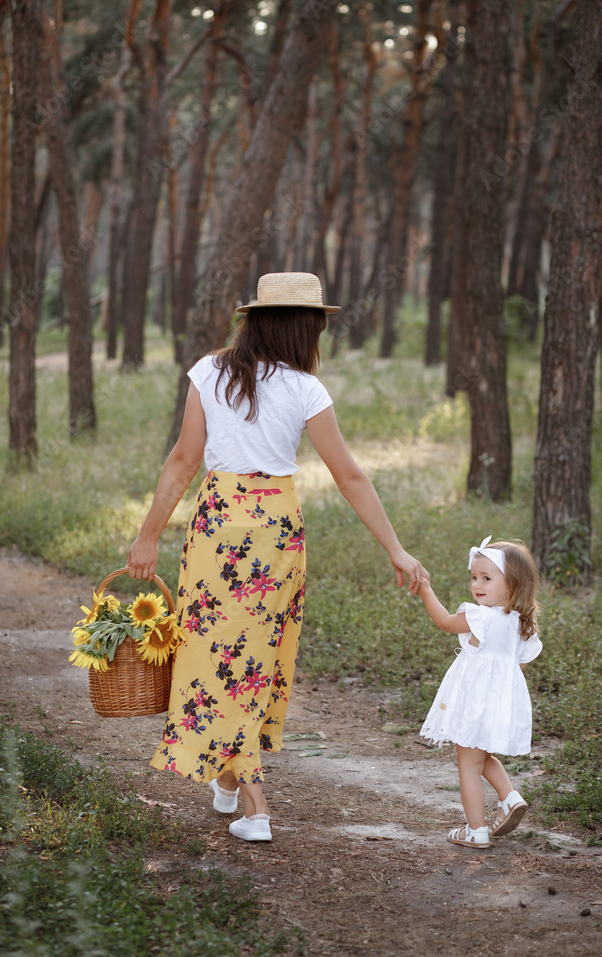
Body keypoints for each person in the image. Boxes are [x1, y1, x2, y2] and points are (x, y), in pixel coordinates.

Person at [127, 272, 428, 843]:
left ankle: (256, 809)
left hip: (219, 529)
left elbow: (182, 461)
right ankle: (231, 780)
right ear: (305, 326)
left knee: (216, 654)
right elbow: (350, 477)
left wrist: (149, 537)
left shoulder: (209, 370)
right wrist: (395, 548)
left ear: (255, 318)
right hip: (276, 533)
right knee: (253, 659)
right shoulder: (305, 388)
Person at [417, 535, 542, 849]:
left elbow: (445, 622)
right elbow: (519, 669)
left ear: (513, 585)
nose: (477, 584)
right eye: (474, 577)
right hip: (500, 705)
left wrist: (426, 591)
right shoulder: (522, 623)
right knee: (481, 756)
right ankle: (510, 798)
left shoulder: (482, 617)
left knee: (468, 765)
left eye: (487, 578)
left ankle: (477, 830)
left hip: (474, 701)